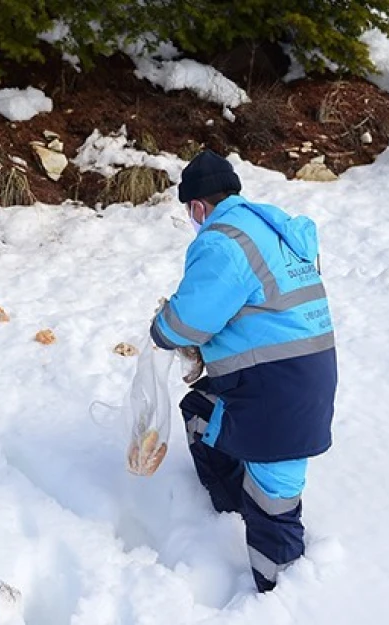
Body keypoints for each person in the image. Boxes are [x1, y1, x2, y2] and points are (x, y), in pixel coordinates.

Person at [149, 150, 337, 592]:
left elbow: (190, 319)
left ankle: (286, 597)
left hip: (277, 392)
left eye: (190, 212)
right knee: (201, 411)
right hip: (305, 378)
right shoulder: (272, 230)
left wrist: (161, 329)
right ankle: (233, 509)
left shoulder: (223, 240)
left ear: (196, 206)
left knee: (276, 505)